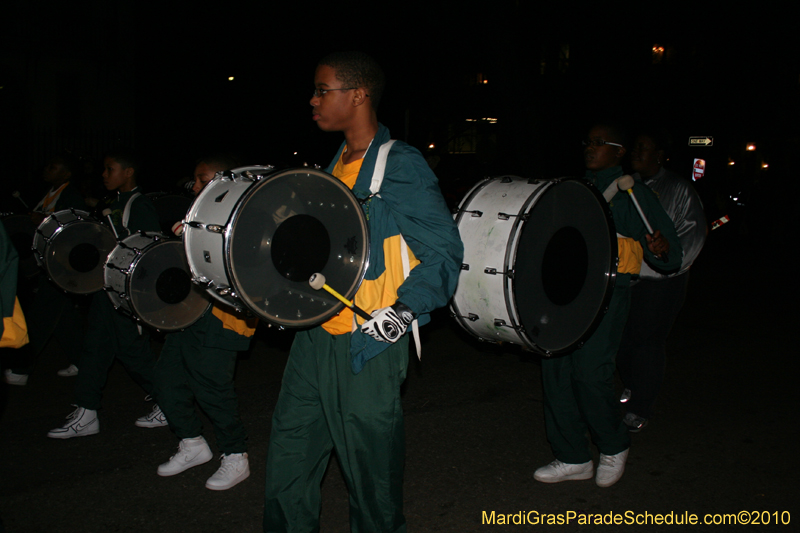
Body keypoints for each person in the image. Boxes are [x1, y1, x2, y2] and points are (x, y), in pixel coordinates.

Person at [263, 51, 463, 532]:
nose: (313, 100)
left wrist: (403, 312)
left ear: (358, 95)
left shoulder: (399, 166)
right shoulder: (335, 166)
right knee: (288, 462)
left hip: (366, 343)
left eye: (322, 90)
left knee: (371, 483)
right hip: (313, 337)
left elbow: (444, 253)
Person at [533, 123, 682, 488]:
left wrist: (661, 250)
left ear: (619, 152)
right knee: (556, 370)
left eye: (600, 143)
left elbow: (669, 253)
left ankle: (614, 444)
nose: (590, 147)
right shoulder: (574, 188)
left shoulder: (634, 194)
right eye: (588, 141)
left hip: (608, 291)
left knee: (590, 373)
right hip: (567, 290)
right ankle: (573, 456)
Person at [152, 156, 257, 491]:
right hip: (191, 310)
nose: (194, 186)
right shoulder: (198, 213)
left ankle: (235, 454)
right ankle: (192, 442)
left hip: (225, 316)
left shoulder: (249, 213)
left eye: (202, 179)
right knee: (167, 379)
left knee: (212, 388)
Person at [48, 150, 161, 439]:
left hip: (125, 293)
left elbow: (151, 253)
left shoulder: (139, 204)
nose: (104, 174)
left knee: (132, 352)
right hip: (105, 288)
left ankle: (169, 400)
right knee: (94, 349)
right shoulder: (114, 202)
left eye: (110, 169)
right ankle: (87, 411)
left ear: (128, 172)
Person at [617, 131, 707, 431]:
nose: (635, 152)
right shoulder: (626, 185)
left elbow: (693, 233)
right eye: (634, 147)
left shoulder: (679, 189)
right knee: (623, 338)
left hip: (662, 282)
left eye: (643, 147)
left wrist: (669, 256)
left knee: (648, 342)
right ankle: (633, 384)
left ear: (659, 154)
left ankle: (640, 407)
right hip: (628, 277)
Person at [3, 153, 87, 386]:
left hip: (61, 264)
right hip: (49, 262)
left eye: (53, 166)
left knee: (41, 315)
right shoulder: (52, 192)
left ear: (67, 173)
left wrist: (44, 220)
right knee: (63, 318)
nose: (47, 169)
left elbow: (75, 229)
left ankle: (21, 368)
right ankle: (82, 360)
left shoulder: (71, 196)